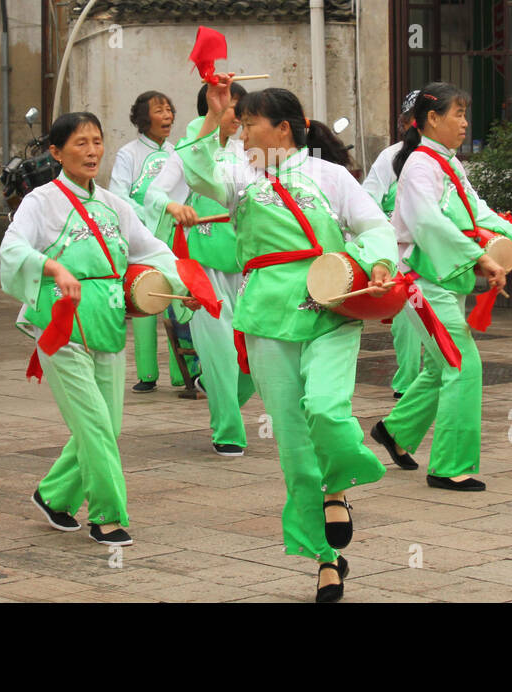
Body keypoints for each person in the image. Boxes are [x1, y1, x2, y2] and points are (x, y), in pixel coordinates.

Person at [181, 79, 395, 603]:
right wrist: (212, 118)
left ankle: (339, 487)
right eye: (242, 121)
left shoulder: (328, 175)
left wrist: (381, 261)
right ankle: (324, 558)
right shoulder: (238, 176)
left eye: (251, 122)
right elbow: (195, 169)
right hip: (266, 312)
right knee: (295, 445)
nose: (244, 130)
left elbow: (373, 225)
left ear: (283, 128)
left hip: (331, 300)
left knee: (325, 407)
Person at [1, 111, 192, 546]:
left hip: (106, 321)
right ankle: (107, 515)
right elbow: (12, 248)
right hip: (60, 324)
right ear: (56, 152)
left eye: (97, 142)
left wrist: (184, 286)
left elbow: (154, 250)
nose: (91, 151)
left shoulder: (114, 205)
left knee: (110, 425)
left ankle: (53, 495)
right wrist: (51, 266)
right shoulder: (41, 201)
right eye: (80, 143)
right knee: (93, 424)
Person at [368, 84, 512, 491]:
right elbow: (428, 223)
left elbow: (476, 209)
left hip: (444, 275)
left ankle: (395, 432)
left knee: (439, 364)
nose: (465, 123)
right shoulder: (417, 166)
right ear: (432, 119)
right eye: (459, 114)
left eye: (466, 114)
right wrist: (478, 258)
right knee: (461, 362)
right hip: (419, 279)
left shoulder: (447, 163)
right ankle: (449, 465)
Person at [146, 81, 255, 455]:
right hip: (205, 269)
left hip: (250, 268)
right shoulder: (187, 153)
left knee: (258, 352)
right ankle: (227, 430)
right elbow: (154, 194)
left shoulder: (251, 153)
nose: (238, 117)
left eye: (241, 109)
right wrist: (174, 207)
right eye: (229, 107)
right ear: (209, 109)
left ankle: (216, 386)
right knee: (222, 351)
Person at [109, 90, 194, 391]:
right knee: (146, 298)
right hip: (142, 234)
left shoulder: (178, 154)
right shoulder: (128, 154)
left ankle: (183, 372)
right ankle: (147, 374)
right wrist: (144, 221)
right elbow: (118, 195)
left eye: (169, 109)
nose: (167, 115)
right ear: (144, 118)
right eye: (159, 110)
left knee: (178, 299)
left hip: (175, 234)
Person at [362, 89, 427, 399]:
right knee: (408, 321)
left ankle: (437, 380)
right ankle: (408, 383)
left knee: (443, 321)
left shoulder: (447, 160)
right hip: (401, 252)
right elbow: (366, 203)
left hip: (437, 253)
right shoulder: (390, 158)